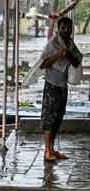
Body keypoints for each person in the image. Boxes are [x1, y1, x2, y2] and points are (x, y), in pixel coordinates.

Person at [40, 16, 82, 161]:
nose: (66, 30)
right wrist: (58, 54)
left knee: (58, 117)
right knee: (49, 117)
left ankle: (51, 149)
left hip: (63, 86)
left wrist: (68, 54)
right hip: (52, 84)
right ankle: (47, 151)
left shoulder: (70, 44)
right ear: (59, 28)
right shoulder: (52, 43)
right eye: (63, 27)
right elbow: (43, 63)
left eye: (69, 28)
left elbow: (77, 61)